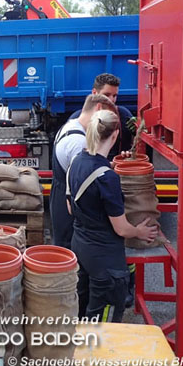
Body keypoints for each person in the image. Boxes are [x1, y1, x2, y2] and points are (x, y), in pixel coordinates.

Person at [66, 110, 157, 323]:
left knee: (83, 307)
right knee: (103, 321)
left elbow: (71, 208)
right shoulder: (108, 178)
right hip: (105, 258)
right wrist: (140, 231)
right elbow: (121, 229)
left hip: (81, 248)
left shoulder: (76, 162)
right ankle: (97, 354)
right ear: (115, 135)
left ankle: (80, 353)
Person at [51, 94, 117, 250]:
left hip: (60, 192)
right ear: (98, 109)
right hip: (69, 204)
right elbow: (84, 181)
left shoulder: (71, 125)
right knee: (71, 254)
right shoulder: (79, 142)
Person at [69, 73, 136, 160]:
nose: (111, 100)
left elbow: (136, 144)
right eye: (106, 95)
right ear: (94, 92)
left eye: (114, 96)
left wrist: (130, 153)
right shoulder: (78, 119)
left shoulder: (124, 115)